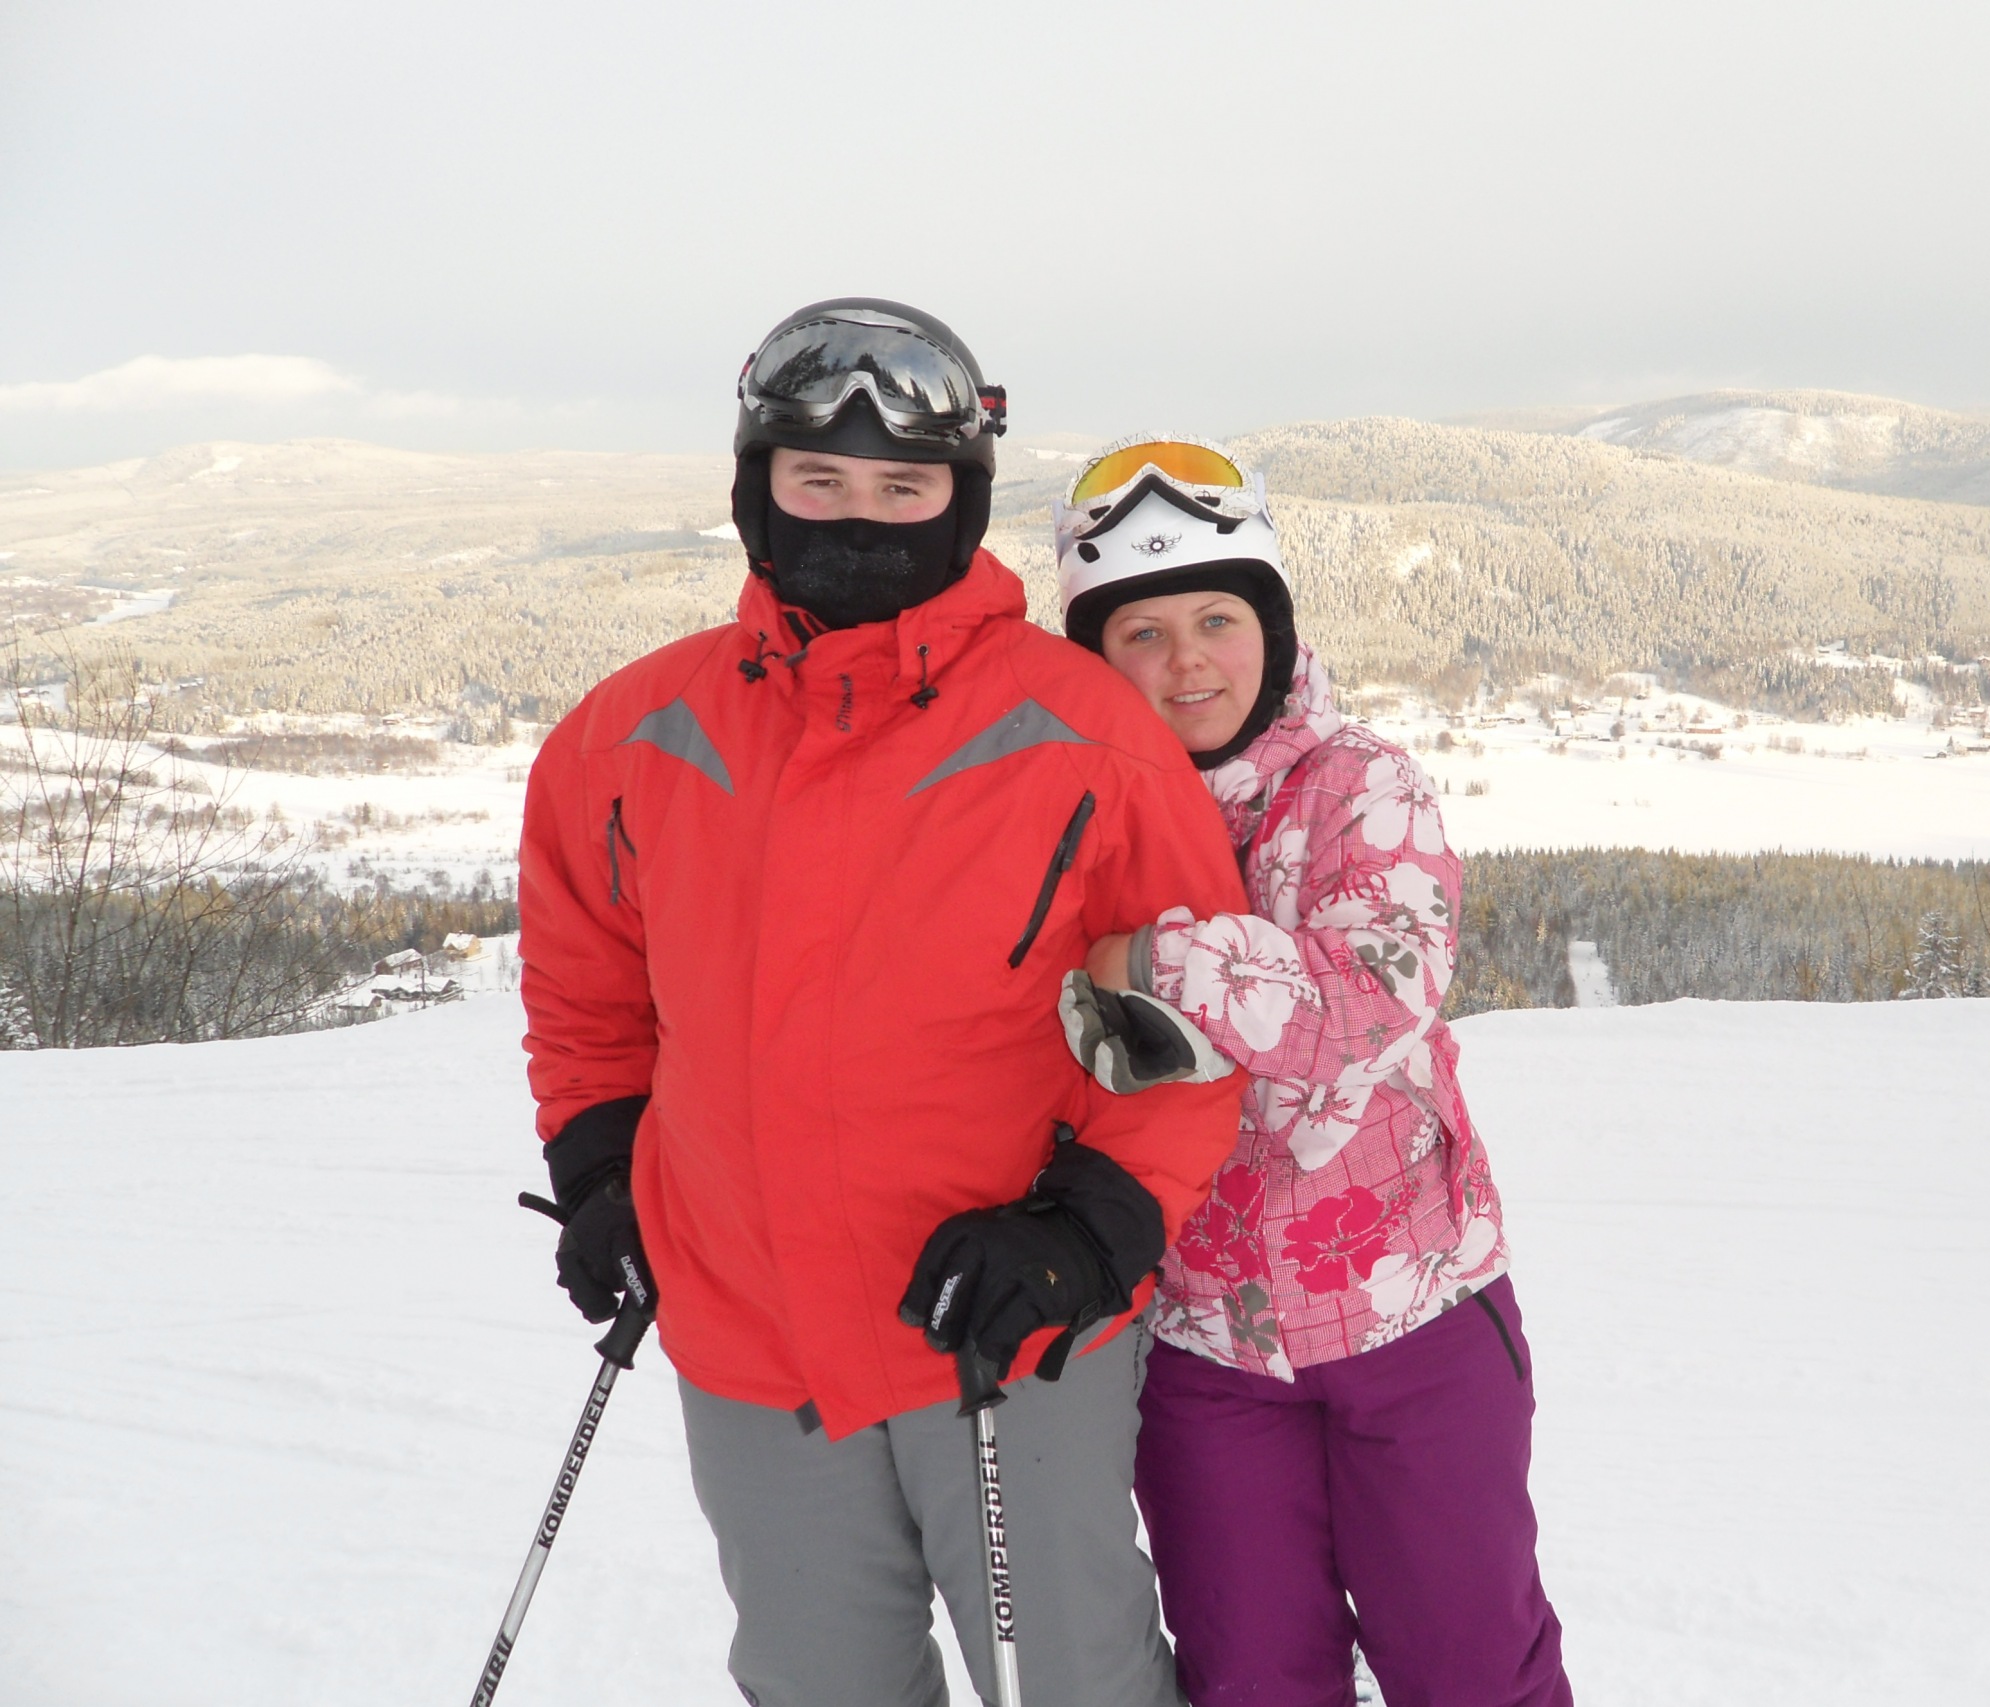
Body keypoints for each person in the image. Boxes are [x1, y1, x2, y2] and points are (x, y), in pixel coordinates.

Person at [517, 304, 1246, 1707]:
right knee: (815, 1680)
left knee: (1072, 1681)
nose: (860, 520)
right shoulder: (629, 737)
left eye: (904, 490)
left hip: (1006, 1325)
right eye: (820, 481)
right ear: (758, 490)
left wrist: (1092, 1227)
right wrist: (601, 1164)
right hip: (747, 1331)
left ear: (959, 503)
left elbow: (1193, 1029)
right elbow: (586, 992)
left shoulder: (1087, 734)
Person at [1049, 438, 1573, 1707]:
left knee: (1468, 1668)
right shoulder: (1074, 816)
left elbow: (1370, 993)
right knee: (1253, 1678)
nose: (1187, 663)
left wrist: (1155, 959)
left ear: (1270, 627)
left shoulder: (1359, 785)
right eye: (1141, 633)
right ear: (1096, 659)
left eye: (1218, 619)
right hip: (1200, 1341)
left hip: (1413, 1312)